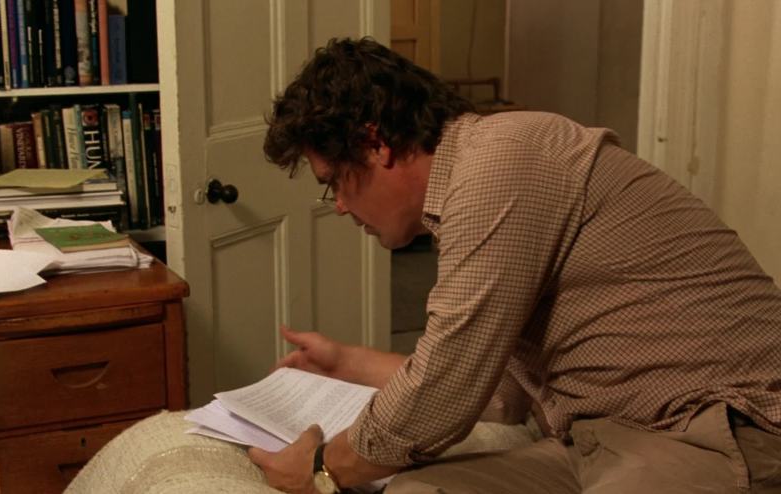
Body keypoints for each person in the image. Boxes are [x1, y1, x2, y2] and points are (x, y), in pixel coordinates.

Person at [248, 37, 781, 494]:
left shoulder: (499, 163)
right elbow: (501, 391)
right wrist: (348, 362)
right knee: (418, 490)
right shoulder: (472, 184)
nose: (340, 206)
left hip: (715, 426)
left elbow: (445, 391)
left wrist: (323, 469)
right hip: (600, 437)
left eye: (334, 183)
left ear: (375, 144)